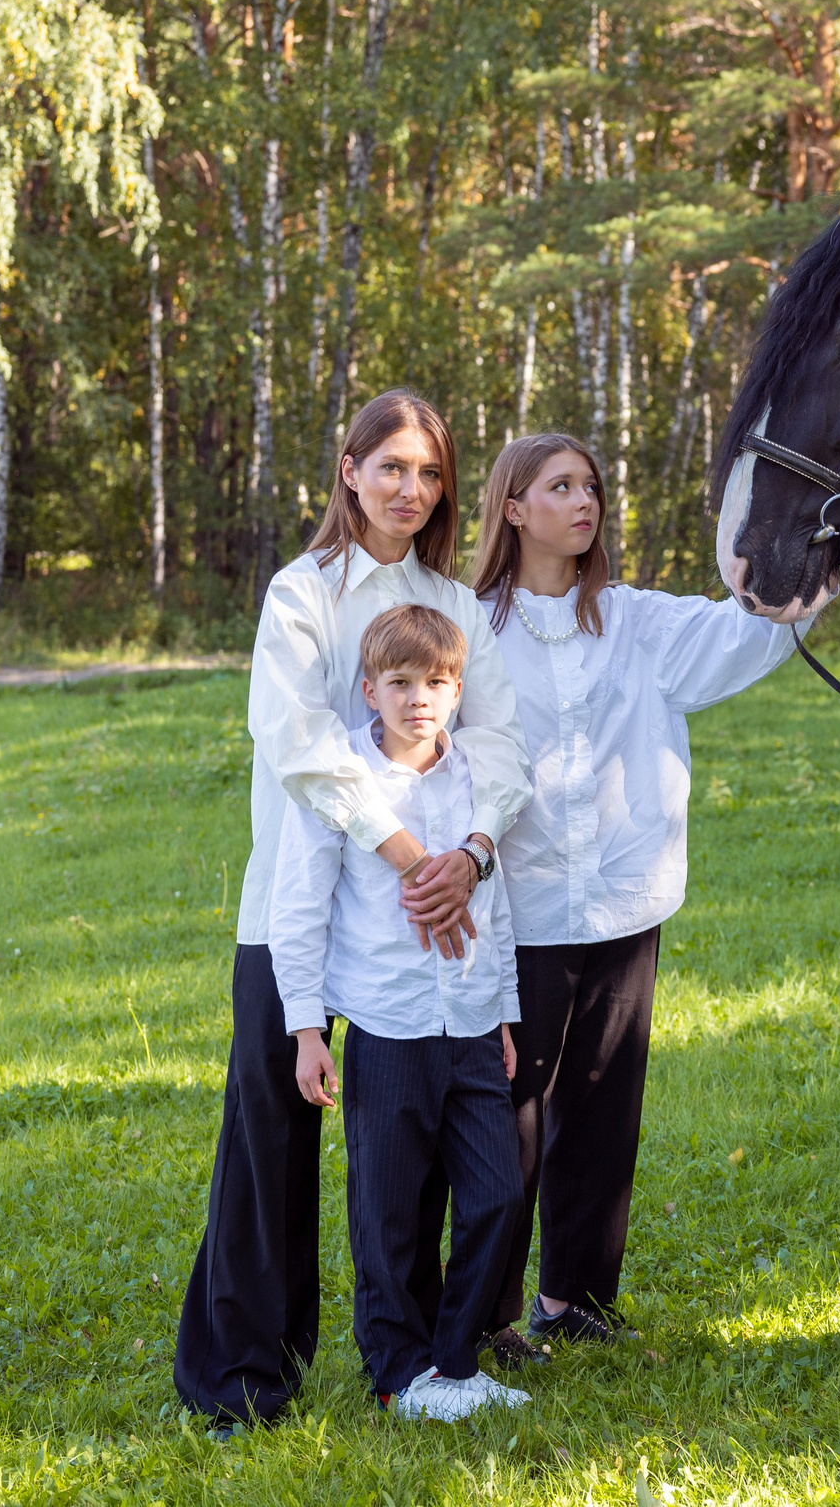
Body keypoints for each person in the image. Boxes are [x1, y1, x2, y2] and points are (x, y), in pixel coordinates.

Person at [174, 391, 531, 1432]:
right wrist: (408, 851)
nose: (411, 490)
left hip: (434, 915)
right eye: (392, 468)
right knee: (270, 1138)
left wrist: (468, 851)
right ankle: (242, 1370)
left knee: (408, 1139)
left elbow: (499, 739)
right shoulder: (304, 591)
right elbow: (297, 741)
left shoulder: (451, 600)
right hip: (303, 900)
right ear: (348, 470)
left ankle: (415, 1360)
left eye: (429, 473)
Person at [468, 433, 804, 1360]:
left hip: (622, 903)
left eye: (591, 486)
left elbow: (752, 633)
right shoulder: (471, 629)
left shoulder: (637, 621)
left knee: (604, 1105)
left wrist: (807, 555)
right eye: (560, 485)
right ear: (512, 506)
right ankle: (487, 1312)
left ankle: (575, 1298)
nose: (585, 502)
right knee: (513, 1108)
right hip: (519, 911)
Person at [270, 605, 531, 1422]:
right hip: (387, 1027)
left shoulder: (473, 776)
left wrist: (507, 1013)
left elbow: (501, 903)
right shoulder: (344, 777)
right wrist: (307, 1028)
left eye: (439, 682)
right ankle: (397, 1373)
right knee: (387, 1211)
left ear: (458, 691)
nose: (421, 697)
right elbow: (300, 904)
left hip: (474, 1026)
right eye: (402, 682)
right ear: (369, 689)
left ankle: (454, 1365)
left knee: (496, 1194)